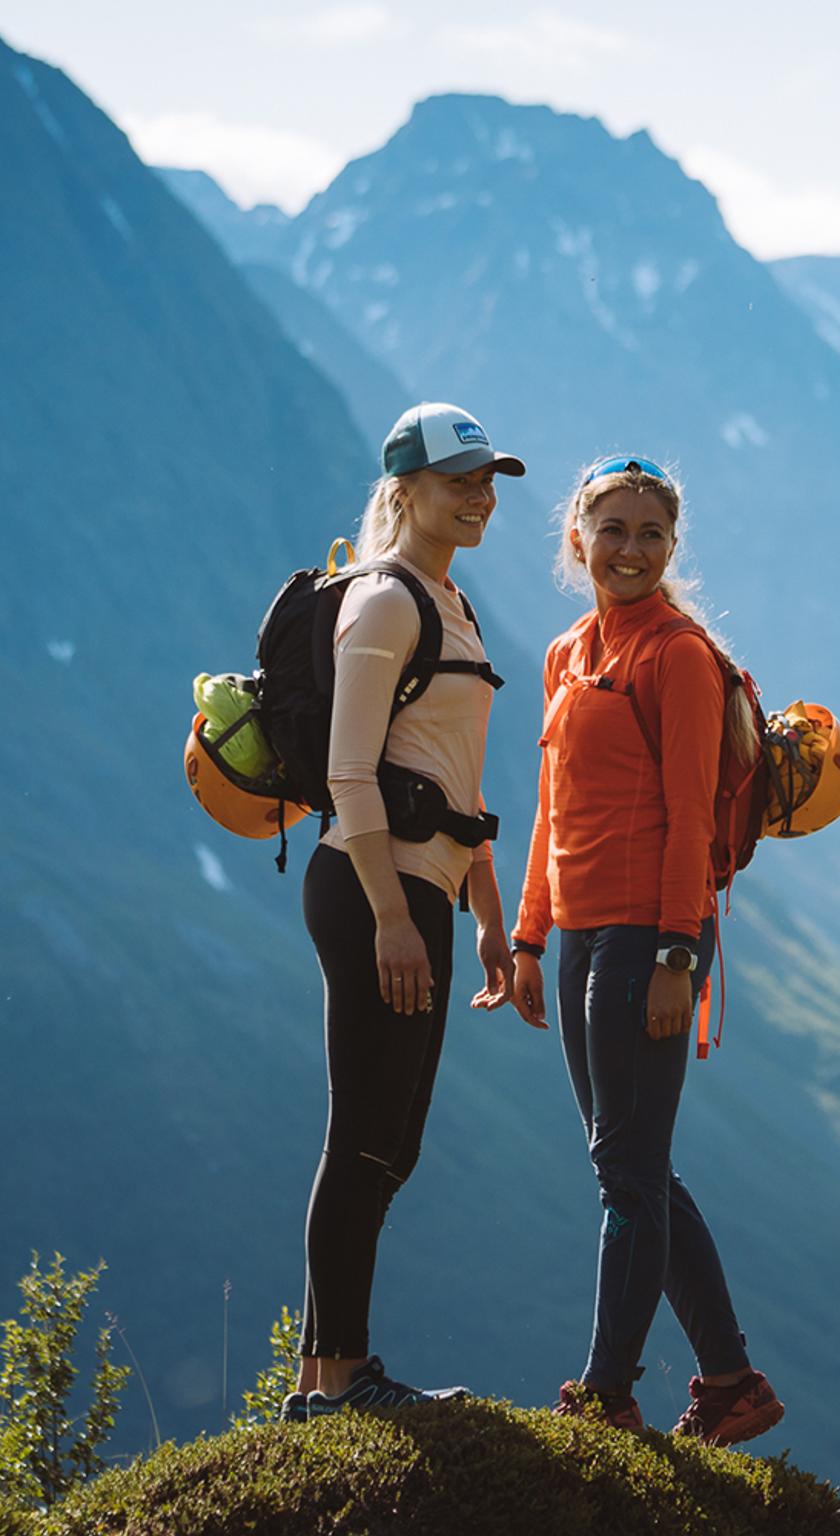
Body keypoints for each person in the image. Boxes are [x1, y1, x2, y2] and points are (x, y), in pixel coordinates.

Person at [509, 456, 785, 1446]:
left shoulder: (676, 655)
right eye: (610, 530)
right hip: (580, 936)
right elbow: (550, 809)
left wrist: (676, 957)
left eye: (648, 534)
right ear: (574, 540)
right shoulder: (565, 652)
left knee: (625, 1176)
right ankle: (730, 1384)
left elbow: (683, 815)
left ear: (672, 548)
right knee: (635, 1170)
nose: (628, 549)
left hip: (647, 937)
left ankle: (604, 1394)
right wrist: (529, 937)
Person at [286, 403, 525, 1419]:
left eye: (487, 482)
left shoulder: (452, 603)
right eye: (459, 480)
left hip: (420, 888)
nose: (479, 497)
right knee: (365, 1135)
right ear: (404, 491)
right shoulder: (384, 602)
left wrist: (487, 917)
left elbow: (457, 784)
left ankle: (318, 1378)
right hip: (367, 885)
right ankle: (340, 1379)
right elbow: (351, 774)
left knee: (393, 1140)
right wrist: (390, 916)